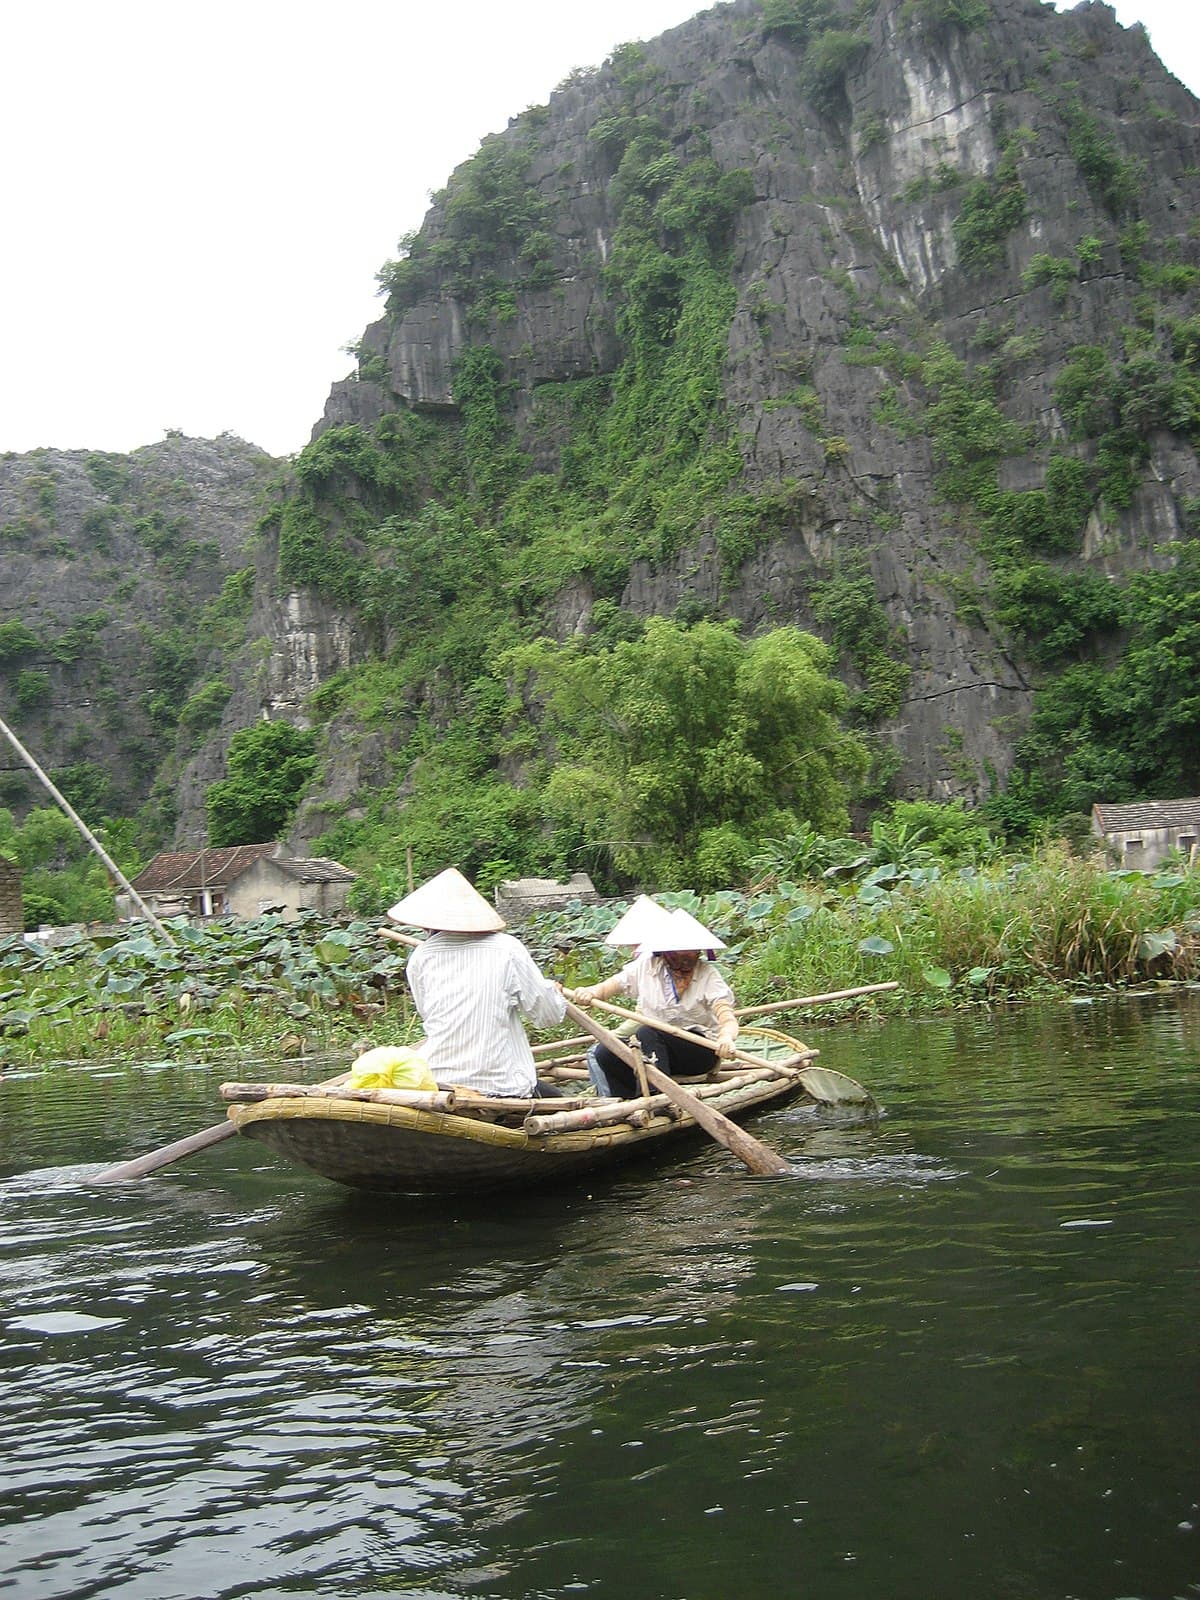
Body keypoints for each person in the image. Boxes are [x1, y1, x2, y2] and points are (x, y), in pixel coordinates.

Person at [391, 867, 566, 1098]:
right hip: (500, 1086)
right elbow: (548, 1016)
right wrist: (554, 993)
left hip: (437, 1082)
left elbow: (430, 1015)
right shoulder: (507, 948)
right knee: (556, 1099)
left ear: (426, 923)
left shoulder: (421, 956)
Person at [566, 905, 739, 1099]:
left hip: (699, 1051)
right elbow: (610, 986)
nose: (685, 960)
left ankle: (660, 1097)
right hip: (657, 1052)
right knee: (605, 1051)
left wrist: (726, 1038)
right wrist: (590, 992)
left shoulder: (708, 975)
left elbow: (727, 1017)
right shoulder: (647, 966)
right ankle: (624, 1100)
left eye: (691, 953)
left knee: (649, 1031)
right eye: (679, 954)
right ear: (665, 952)